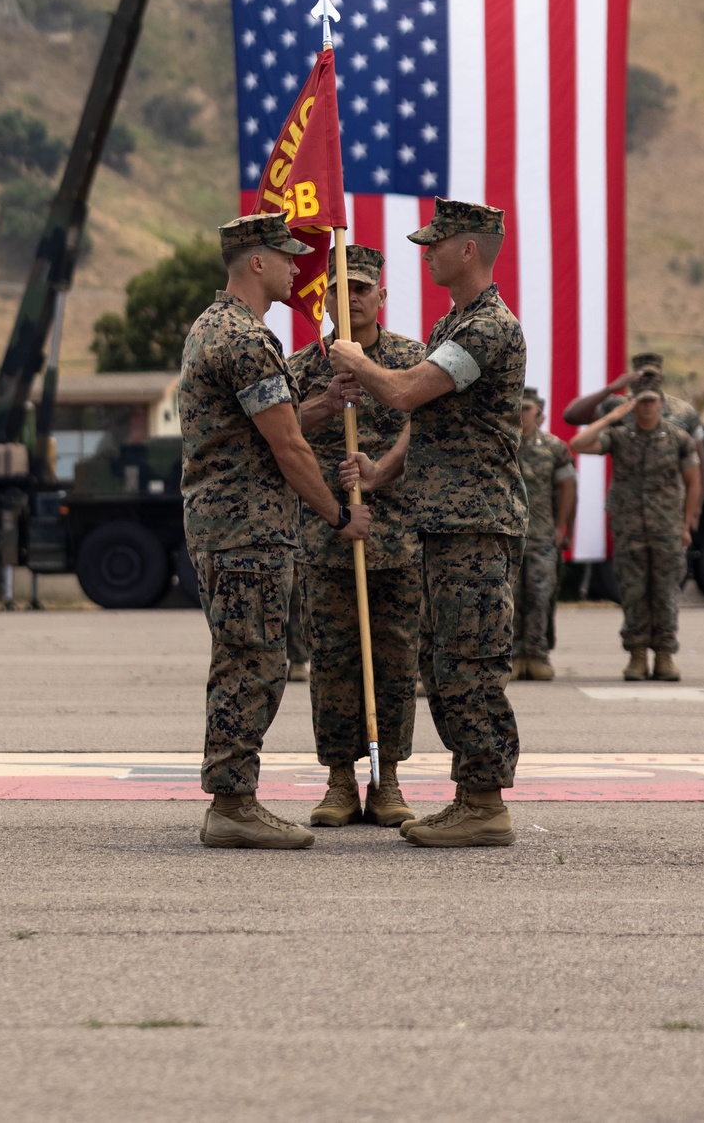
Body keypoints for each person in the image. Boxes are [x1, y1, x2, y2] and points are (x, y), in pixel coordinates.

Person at [332, 197, 527, 849]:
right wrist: (381, 473)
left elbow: (409, 392)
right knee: (445, 664)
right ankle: (470, 793)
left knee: (470, 661)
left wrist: (355, 361)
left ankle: (486, 801)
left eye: (435, 244)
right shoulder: (457, 321)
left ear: (467, 248)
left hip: (477, 522)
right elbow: (425, 422)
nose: (427, 253)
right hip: (444, 521)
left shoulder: (488, 328)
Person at [179, 212, 370, 851]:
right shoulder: (245, 339)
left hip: (227, 524)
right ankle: (233, 804)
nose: (299, 268)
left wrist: (325, 402)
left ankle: (233, 798)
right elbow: (287, 448)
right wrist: (340, 516)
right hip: (246, 528)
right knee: (252, 661)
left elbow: (266, 422)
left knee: (244, 655)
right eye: (287, 257)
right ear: (255, 262)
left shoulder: (216, 328)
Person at [289, 243, 425, 829]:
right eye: (340, 290)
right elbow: (276, 433)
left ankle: (387, 777)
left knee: (395, 659)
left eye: (362, 289)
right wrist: (325, 403)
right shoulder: (303, 366)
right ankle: (341, 780)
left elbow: (427, 430)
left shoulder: (410, 359)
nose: (352, 300)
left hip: (395, 536)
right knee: (333, 662)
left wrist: (382, 471)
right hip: (326, 537)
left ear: (382, 296)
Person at [570, 390, 702, 682]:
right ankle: (637, 656)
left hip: (666, 528)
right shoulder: (620, 436)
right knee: (633, 594)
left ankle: (665, 656)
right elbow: (578, 444)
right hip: (630, 529)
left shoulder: (679, 439)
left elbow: (693, 481)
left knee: (666, 593)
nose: (647, 406)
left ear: (661, 404)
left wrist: (686, 524)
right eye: (641, 401)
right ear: (634, 405)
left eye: (652, 400)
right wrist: (612, 416)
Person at [563, 352, 704, 502]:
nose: (647, 382)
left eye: (652, 376)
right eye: (642, 376)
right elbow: (571, 416)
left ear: (661, 379)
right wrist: (609, 389)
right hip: (629, 506)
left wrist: (696, 508)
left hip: (668, 505)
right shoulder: (619, 407)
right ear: (633, 381)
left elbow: (699, 461)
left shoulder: (683, 411)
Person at [512, 389, 577, 682]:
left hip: (541, 535)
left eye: (528, 409)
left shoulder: (554, 447)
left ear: (540, 414)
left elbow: (567, 488)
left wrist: (563, 528)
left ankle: (537, 654)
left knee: (540, 596)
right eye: (519, 408)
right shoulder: (502, 443)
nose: (522, 414)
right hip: (508, 536)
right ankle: (512, 656)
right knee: (508, 598)